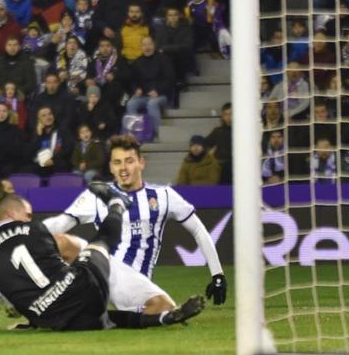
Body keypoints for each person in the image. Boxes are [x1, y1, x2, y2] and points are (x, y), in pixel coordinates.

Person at [0, 191, 205, 330]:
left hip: (51, 319)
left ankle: (161, 318)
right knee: (99, 244)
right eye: (27, 213)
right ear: (12, 213)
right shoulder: (35, 229)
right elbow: (63, 249)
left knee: (105, 320)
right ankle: (118, 204)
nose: (30, 216)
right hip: (81, 288)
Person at [43, 135, 226, 315]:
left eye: (129, 161)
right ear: (111, 167)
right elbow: (61, 222)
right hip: (101, 272)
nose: (123, 168)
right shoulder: (98, 195)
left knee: (165, 308)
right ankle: (34, 301)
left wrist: (217, 275)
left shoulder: (163, 196)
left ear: (141, 163)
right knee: (59, 242)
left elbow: (198, 230)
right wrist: (25, 233)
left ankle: (108, 315)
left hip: (136, 286)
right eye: (117, 162)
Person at [126, 36, 173, 139]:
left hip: (161, 95)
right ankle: (135, 135)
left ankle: (157, 134)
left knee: (152, 103)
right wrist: (136, 89)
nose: (147, 47)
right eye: (144, 45)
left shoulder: (163, 59)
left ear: (154, 45)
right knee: (131, 103)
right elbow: (132, 80)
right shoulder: (137, 62)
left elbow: (170, 80)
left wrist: (158, 91)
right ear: (141, 47)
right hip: (144, 95)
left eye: (149, 44)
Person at [30, 105, 74, 177]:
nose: (48, 117)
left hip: (59, 162)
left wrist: (53, 160)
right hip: (42, 164)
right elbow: (32, 152)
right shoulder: (38, 133)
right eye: (44, 115)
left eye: (50, 114)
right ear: (39, 119)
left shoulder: (62, 130)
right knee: (29, 170)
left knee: (61, 167)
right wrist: (38, 135)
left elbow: (68, 148)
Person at [205, 102, 232, 184]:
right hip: (220, 167)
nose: (228, 117)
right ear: (222, 116)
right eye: (226, 114)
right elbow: (204, 144)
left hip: (236, 167)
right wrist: (210, 152)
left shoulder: (241, 131)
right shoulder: (218, 131)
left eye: (231, 114)